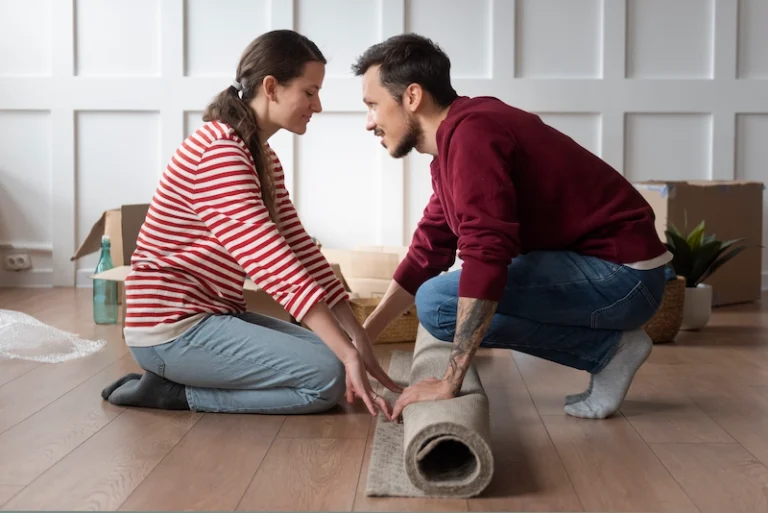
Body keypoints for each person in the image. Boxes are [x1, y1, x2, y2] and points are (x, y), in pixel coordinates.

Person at [351, 33, 671, 421]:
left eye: (373, 105)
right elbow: (429, 248)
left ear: (412, 97)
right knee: (437, 299)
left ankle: (609, 351)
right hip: (610, 274)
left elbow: (487, 252)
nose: (370, 123)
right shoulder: (456, 142)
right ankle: (611, 348)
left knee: (438, 303)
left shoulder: (472, 135)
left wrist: (449, 381)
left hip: (622, 278)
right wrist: (366, 338)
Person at [101, 30, 401, 420]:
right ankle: (174, 394)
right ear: (271, 87)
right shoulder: (219, 153)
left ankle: (180, 382)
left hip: (214, 316)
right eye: (309, 92)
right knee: (328, 377)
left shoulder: (260, 156)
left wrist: (354, 334)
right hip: (171, 330)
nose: (319, 105)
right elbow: (272, 263)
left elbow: (299, 247)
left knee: (334, 353)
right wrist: (346, 354)